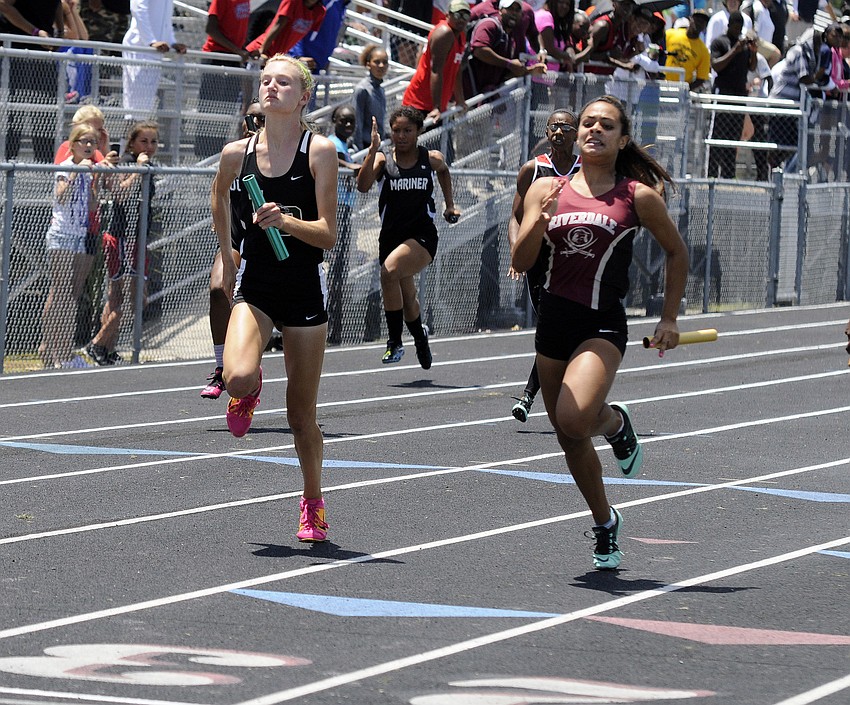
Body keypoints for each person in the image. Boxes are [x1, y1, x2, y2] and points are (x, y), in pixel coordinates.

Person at [511, 95, 688, 570]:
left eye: (606, 125)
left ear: (622, 139)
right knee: (569, 437)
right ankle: (605, 521)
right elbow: (520, 261)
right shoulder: (544, 187)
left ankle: (613, 422)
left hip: (601, 324)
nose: (593, 130)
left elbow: (677, 252)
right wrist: (540, 219)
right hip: (552, 324)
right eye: (587, 122)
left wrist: (668, 318)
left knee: (574, 417)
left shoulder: (637, 196)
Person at [212, 54, 338, 542]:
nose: (271, 88)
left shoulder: (319, 150)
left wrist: (285, 221)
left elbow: (328, 234)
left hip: (304, 285)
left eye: (283, 82)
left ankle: (312, 501)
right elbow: (218, 196)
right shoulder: (235, 153)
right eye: (265, 80)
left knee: (300, 416)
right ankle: (250, 384)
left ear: (303, 97)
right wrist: (228, 253)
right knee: (236, 377)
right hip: (258, 284)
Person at [356, 107, 460, 368]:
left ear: (418, 132)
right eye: (396, 130)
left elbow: (444, 170)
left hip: (422, 236)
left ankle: (394, 341)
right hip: (391, 237)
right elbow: (363, 185)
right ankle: (420, 337)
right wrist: (372, 150)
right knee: (408, 297)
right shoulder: (383, 160)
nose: (401, 136)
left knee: (390, 272)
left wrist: (449, 204)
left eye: (407, 131)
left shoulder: (430, 158)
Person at [507, 109, 581, 423]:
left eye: (567, 127)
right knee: (553, 326)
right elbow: (516, 217)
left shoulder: (587, 169)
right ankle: (536, 393)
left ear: (577, 133)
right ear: (547, 131)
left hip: (574, 259)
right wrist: (517, 253)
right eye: (554, 126)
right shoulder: (533, 169)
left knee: (559, 329)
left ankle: (530, 394)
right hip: (539, 259)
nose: (560, 132)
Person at [201, 102, 265, 399]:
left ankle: (251, 372)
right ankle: (220, 368)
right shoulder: (234, 154)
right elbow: (218, 193)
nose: (259, 123)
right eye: (254, 118)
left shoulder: (282, 154)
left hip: (271, 247)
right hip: (240, 241)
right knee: (217, 288)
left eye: (265, 118)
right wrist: (223, 236)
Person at [87, 121, 161, 366]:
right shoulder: (127, 163)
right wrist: (138, 171)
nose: (149, 147)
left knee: (129, 297)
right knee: (126, 297)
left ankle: (108, 347)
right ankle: (98, 343)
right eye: (144, 141)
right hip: (122, 236)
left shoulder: (151, 165)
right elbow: (119, 193)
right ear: (132, 143)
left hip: (138, 238)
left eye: (153, 142)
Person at [41, 124, 101, 369]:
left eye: (92, 142)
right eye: (84, 141)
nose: (88, 146)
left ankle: (64, 351)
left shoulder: (88, 170)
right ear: (73, 143)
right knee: (61, 293)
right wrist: (77, 171)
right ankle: (56, 353)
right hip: (62, 236)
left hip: (79, 235)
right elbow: (61, 195)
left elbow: (92, 207)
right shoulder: (67, 166)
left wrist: (95, 182)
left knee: (70, 297)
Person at [0, 0, 62, 162]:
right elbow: (4, 6)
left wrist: (60, 30)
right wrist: (35, 33)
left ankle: (46, 168)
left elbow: (57, 4)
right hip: (17, 54)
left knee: (46, 113)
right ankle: (5, 165)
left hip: (45, 55)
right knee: (13, 112)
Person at [194, 0, 258, 159]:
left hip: (233, 57)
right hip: (217, 57)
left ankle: (215, 154)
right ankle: (204, 155)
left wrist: (244, 50)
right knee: (211, 107)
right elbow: (211, 29)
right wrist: (237, 50)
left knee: (227, 108)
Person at [401, 0, 471, 123]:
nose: (461, 19)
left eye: (465, 16)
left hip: (438, 106)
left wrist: (460, 99)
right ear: (447, 14)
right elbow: (436, 70)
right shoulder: (444, 32)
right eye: (457, 15)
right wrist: (436, 108)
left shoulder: (461, 35)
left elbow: (457, 69)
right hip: (419, 105)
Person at [325, 104, 360, 346]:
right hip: (335, 208)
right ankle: (327, 326)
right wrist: (352, 167)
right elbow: (334, 162)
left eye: (351, 122)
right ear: (334, 120)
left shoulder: (347, 147)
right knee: (333, 267)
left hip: (345, 209)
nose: (348, 125)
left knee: (340, 270)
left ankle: (335, 327)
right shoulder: (331, 144)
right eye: (343, 121)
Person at [708, 11, 757, 179]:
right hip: (723, 95)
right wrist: (734, 50)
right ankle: (712, 176)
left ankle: (728, 177)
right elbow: (716, 65)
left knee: (733, 138)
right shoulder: (719, 42)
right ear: (729, 25)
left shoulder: (743, 45)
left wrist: (753, 51)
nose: (737, 30)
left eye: (740, 28)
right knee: (718, 137)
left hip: (739, 96)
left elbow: (751, 67)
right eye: (735, 27)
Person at [464, 0, 547, 97]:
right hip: (470, 91)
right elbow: (479, 50)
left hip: (491, 92)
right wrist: (509, 64)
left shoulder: (509, 38)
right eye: (510, 9)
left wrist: (529, 70)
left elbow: (507, 69)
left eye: (517, 10)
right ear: (500, 10)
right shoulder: (489, 24)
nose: (514, 13)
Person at [122, 0, 187, 121]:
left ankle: (135, 138)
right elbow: (138, 8)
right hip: (140, 48)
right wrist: (151, 41)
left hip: (154, 51)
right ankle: (127, 139)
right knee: (135, 108)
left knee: (144, 108)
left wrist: (172, 42)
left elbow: (165, 21)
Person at [245, 0, 326, 61]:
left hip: (278, 58)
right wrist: (262, 50)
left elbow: (300, 38)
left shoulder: (320, 11)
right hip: (259, 52)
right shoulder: (293, 1)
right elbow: (278, 24)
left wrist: (298, 57)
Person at [352, 44, 389, 150]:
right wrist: (359, 149)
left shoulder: (381, 89)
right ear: (368, 64)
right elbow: (357, 122)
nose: (381, 66)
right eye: (377, 62)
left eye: (385, 62)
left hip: (378, 144)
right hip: (365, 146)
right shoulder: (362, 89)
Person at [664, 10, 711, 90]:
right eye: (696, 19)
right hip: (663, 83)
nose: (698, 23)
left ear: (705, 26)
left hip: (681, 88)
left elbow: (701, 78)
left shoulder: (704, 51)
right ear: (690, 19)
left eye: (702, 22)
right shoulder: (671, 34)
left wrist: (686, 88)